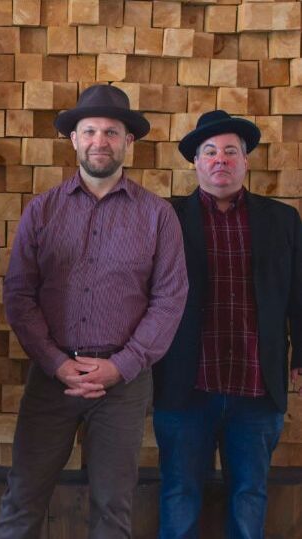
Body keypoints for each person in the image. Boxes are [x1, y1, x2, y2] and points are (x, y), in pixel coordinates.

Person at [0, 84, 189, 539]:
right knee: (22, 498)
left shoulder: (158, 216)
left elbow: (170, 298)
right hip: (51, 377)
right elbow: (20, 295)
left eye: (111, 132)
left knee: (113, 507)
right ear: (74, 139)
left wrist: (121, 366)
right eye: (90, 131)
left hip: (124, 384)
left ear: (128, 142)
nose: (100, 140)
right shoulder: (42, 211)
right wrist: (57, 363)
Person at [153, 110, 302, 539]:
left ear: (246, 161)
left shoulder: (282, 220)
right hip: (185, 386)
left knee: (250, 494)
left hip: (257, 389)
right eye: (210, 152)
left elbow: (299, 292)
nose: (221, 159)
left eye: (231, 151)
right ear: (196, 162)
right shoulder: (166, 219)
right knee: (180, 493)